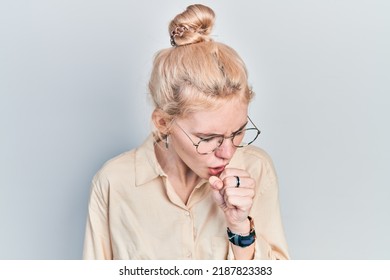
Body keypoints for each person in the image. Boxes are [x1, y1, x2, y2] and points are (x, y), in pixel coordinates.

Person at [83, 4, 289, 260]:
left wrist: (240, 228)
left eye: (238, 132)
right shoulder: (114, 183)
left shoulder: (255, 169)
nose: (227, 152)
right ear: (162, 123)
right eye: (206, 138)